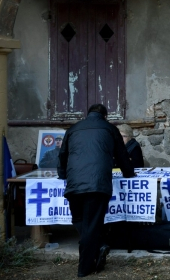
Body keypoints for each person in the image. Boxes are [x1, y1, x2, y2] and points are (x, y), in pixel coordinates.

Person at [58, 104, 135, 277]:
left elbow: (63, 154)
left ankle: (96, 249)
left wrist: (62, 174)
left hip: (74, 184)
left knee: (79, 220)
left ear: (88, 114)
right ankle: (85, 268)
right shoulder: (109, 129)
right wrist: (129, 173)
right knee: (91, 225)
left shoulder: (73, 129)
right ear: (105, 116)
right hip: (98, 184)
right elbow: (122, 155)